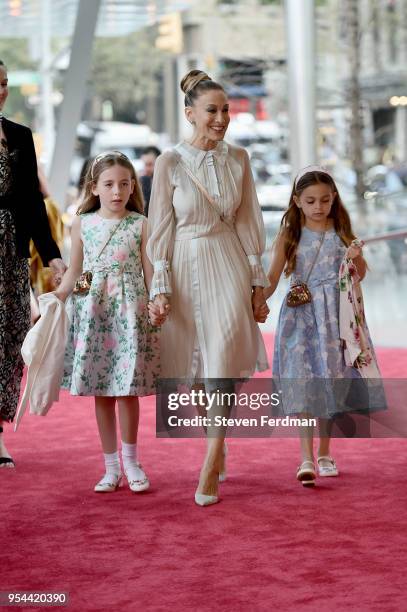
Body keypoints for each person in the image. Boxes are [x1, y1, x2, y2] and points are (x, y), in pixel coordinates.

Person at [147, 69, 269, 506]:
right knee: (195, 372)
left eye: (225, 110)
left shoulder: (239, 158)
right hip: (182, 264)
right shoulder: (169, 162)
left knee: (223, 362)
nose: (221, 119)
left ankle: (209, 462)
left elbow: (248, 219)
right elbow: (160, 227)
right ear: (190, 114)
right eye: (211, 111)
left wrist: (258, 284)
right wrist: (159, 286)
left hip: (228, 262)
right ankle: (217, 442)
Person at [264, 165, 382, 487]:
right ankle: (305, 456)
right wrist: (257, 301)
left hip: (334, 319)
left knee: (329, 382)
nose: (319, 207)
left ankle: (325, 452)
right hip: (300, 319)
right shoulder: (289, 234)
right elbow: (273, 277)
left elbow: (360, 274)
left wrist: (356, 255)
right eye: (312, 200)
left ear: (334, 200)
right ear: (298, 201)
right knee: (304, 383)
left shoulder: (341, 231)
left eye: (325, 200)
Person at [55, 151, 160, 493]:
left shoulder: (141, 224)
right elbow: (73, 271)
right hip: (94, 313)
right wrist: (56, 297)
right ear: (94, 187)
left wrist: (157, 300)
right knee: (103, 391)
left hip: (130, 314)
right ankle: (110, 467)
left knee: (127, 390)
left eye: (124, 184)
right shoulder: (82, 223)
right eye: (109, 184)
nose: (117, 191)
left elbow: (149, 272)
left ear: (133, 188)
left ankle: (132, 462)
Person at [0, 59, 66, 468]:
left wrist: (54, 255)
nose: (1, 90)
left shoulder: (20, 136)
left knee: (8, 341)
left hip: (10, 256)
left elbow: (32, 205)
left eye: (4, 83)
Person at [139, 146, 161, 216]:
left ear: (160, 163)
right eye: (144, 165)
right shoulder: (143, 181)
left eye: (149, 164)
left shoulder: (169, 183)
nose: (146, 169)